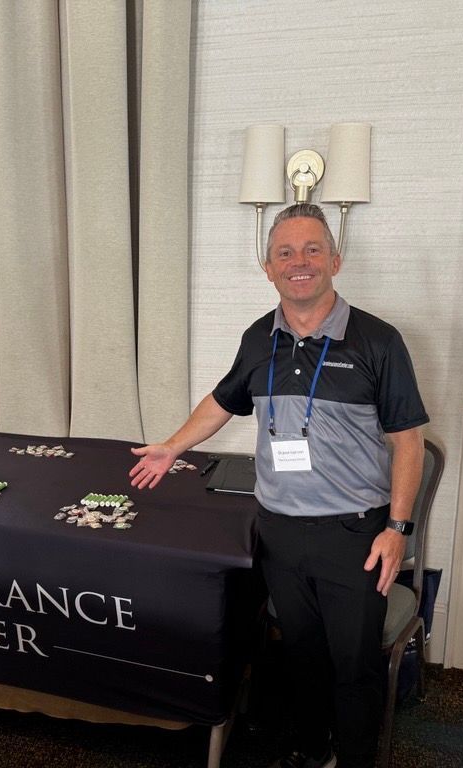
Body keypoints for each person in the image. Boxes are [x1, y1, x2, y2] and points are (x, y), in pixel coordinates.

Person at [128, 203, 428, 768]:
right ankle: (314, 753)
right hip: (280, 531)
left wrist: (397, 528)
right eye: (284, 253)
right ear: (268, 269)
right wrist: (173, 445)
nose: (299, 262)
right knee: (302, 655)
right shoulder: (258, 338)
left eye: (313, 249)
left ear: (335, 260)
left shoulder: (378, 341)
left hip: (354, 536)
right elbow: (223, 401)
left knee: (354, 666)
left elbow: (408, 441)